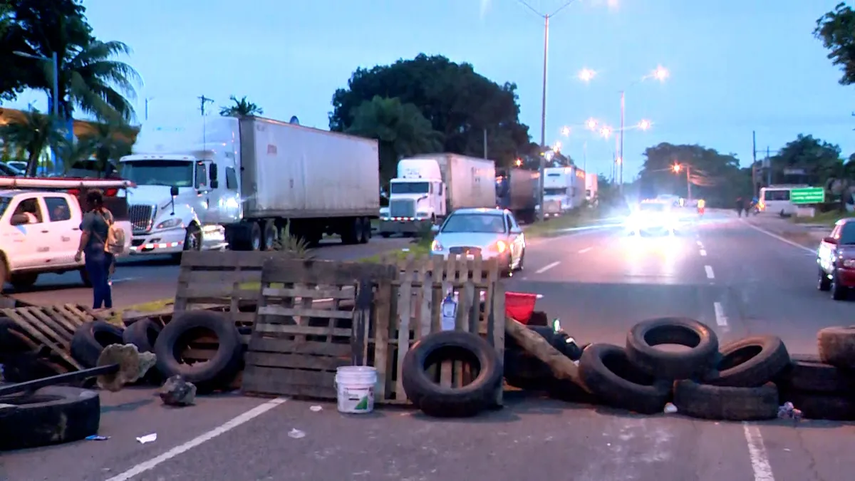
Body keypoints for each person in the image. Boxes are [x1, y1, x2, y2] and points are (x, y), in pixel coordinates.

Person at [74, 189, 114, 309]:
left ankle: (96, 307)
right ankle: (108, 305)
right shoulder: (108, 214)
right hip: (107, 251)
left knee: (97, 281)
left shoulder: (90, 216)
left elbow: (86, 233)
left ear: (91, 202)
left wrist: (79, 251)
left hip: (94, 251)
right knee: (104, 279)